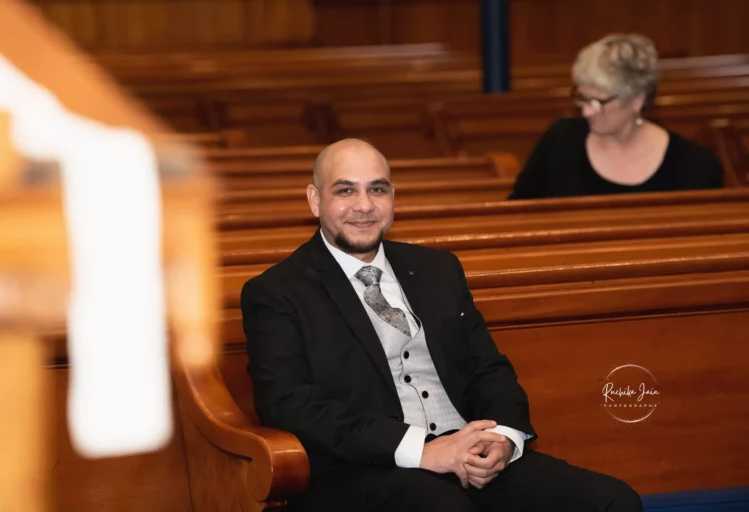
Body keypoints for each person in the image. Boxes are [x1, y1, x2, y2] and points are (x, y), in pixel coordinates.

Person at [241, 138, 642, 512]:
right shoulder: (277, 291)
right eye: (345, 190)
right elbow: (289, 405)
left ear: (393, 198)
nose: (364, 205)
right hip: (365, 471)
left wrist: (503, 437)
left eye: (377, 189)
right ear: (315, 200)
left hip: (471, 458)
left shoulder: (437, 269)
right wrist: (422, 450)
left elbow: (488, 367)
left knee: (611, 501)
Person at [509, 33, 724, 200]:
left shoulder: (695, 165)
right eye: (582, 98)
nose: (586, 111)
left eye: (599, 102)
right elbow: (516, 215)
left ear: (637, 100)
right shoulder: (560, 142)